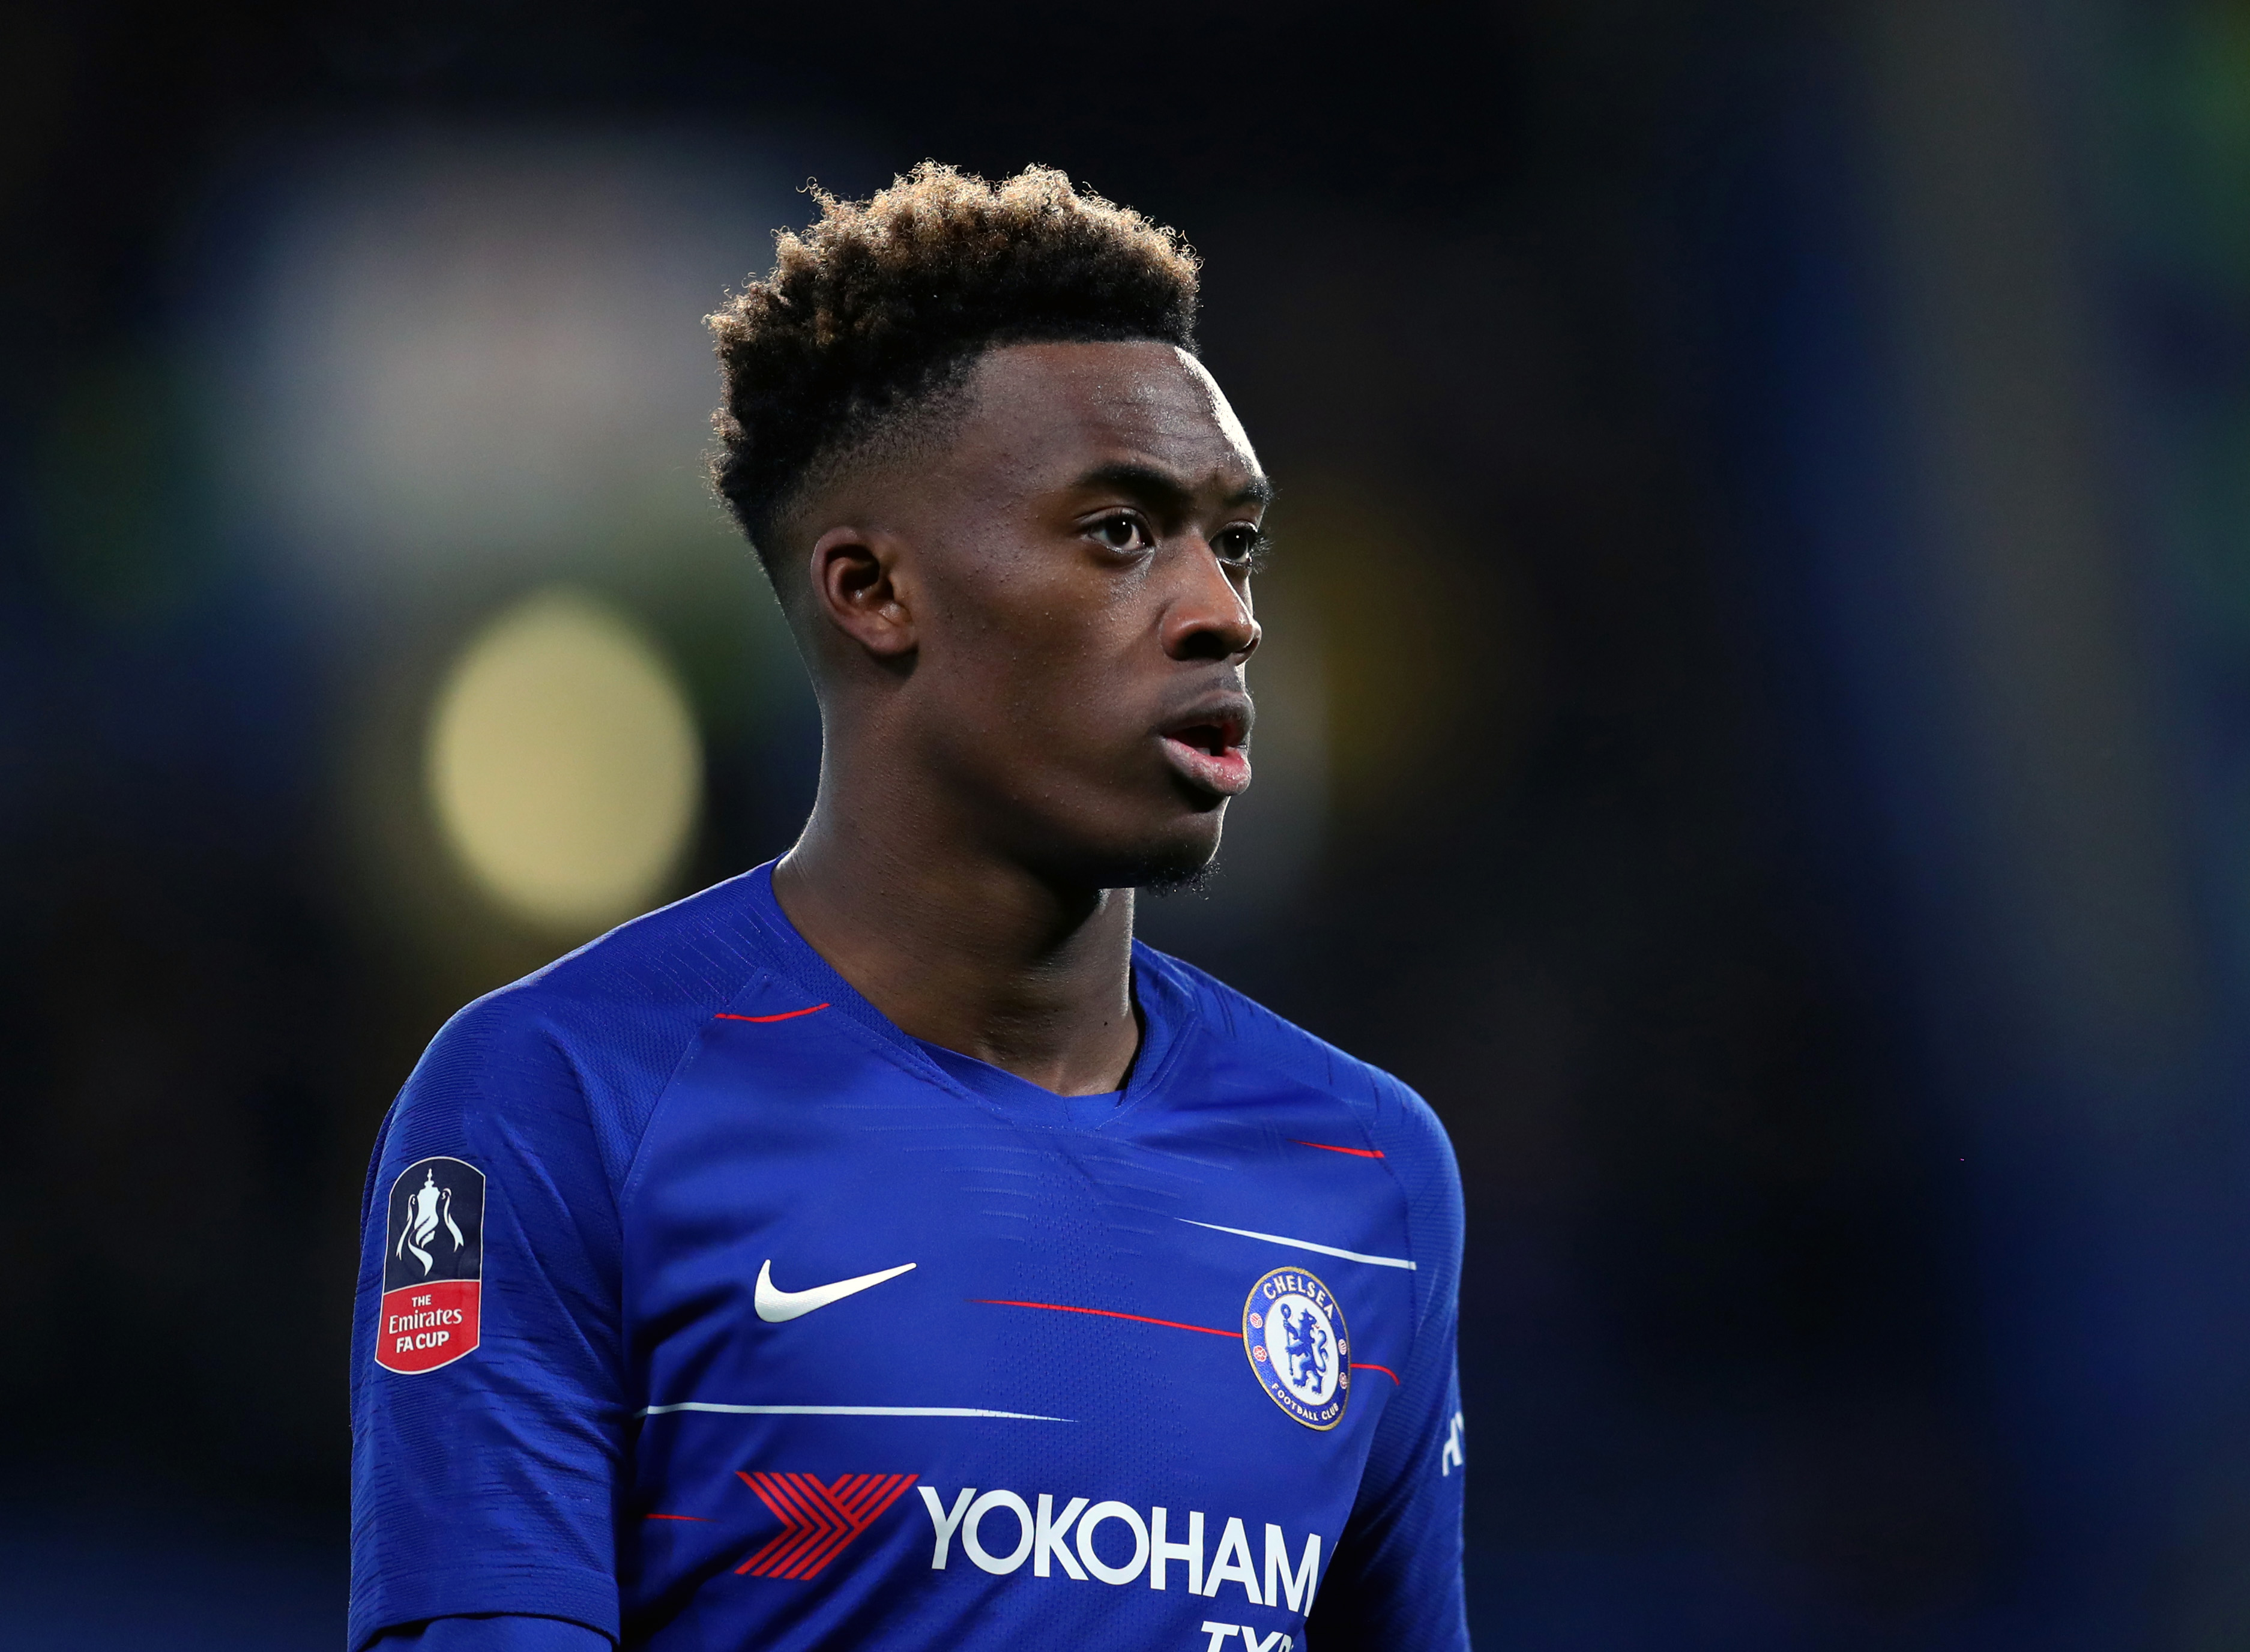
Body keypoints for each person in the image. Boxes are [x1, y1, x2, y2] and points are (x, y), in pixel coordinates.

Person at [349, 163, 1467, 1652]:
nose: (1224, 607)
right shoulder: (561, 1098)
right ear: (875, 589)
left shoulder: (1370, 1175)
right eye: (1121, 532)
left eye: (1234, 538)